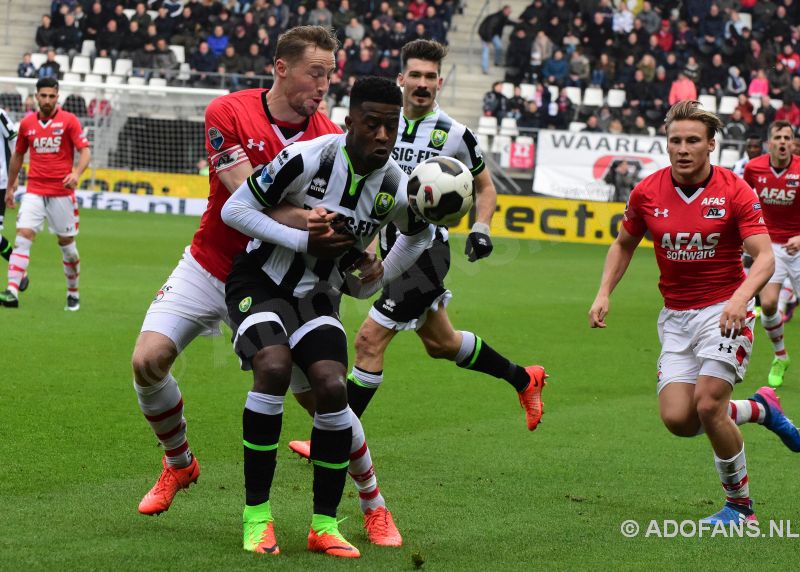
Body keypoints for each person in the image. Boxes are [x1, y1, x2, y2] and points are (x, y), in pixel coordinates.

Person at [290, 40, 546, 464]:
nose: (423, 84)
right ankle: (524, 379)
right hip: (391, 244)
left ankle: (331, 439)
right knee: (442, 343)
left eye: (431, 77)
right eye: (416, 76)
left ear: (440, 82)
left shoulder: (456, 135)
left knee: (369, 340)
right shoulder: (376, 126)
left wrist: (481, 228)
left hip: (428, 251)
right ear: (401, 79)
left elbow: (484, 187)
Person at [129, 25, 345, 519]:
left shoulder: (331, 138)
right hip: (210, 265)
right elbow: (247, 196)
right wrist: (311, 219)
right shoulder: (228, 111)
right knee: (147, 360)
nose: (324, 85)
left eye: (330, 75)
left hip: (278, 282)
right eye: (316, 72)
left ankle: (375, 502)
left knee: (324, 400)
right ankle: (179, 462)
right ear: (281, 68)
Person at [220, 76, 435, 558]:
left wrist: (379, 273)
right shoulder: (309, 157)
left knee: (333, 387)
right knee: (273, 369)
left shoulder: (396, 185)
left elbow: (418, 238)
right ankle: (257, 517)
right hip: (260, 282)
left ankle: (323, 525)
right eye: (372, 124)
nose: (383, 136)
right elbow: (236, 210)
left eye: (391, 126)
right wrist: (303, 240)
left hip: (319, 296)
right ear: (349, 122)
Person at [589, 100, 800, 525]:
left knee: (707, 405)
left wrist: (741, 298)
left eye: (692, 141)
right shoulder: (647, 191)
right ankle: (761, 408)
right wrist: (603, 292)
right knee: (679, 420)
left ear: (711, 145)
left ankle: (741, 508)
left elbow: (763, 258)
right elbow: (623, 243)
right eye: (675, 140)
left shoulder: (735, 189)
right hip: (676, 316)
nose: (682, 149)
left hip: (726, 311)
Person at [1, 77, 89, 309]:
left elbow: (85, 151)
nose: (47, 100)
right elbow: (18, 155)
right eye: (44, 96)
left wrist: (77, 173)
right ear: (36, 96)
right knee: (23, 236)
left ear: (57, 97)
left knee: (67, 247)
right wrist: (11, 186)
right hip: (34, 191)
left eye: (52, 96)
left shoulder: (69, 121)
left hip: (62, 194)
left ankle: (73, 292)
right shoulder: (28, 123)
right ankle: (12, 291)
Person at [743, 121, 800, 387]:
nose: (782, 142)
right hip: (771, 247)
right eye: (777, 137)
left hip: (799, 245)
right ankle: (780, 356)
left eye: (786, 138)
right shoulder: (754, 168)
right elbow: (741, 200)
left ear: (792, 142)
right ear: (769, 142)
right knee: (766, 305)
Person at [477, 5, 514, 74]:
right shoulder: (496, 17)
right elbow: (489, 28)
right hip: (485, 34)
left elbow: (507, 22)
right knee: (486, 50)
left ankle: (497, 62)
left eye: (510, 12)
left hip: (494, 34)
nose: (510, 13)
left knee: (499, 46)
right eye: (509, 11)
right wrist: (488, 40)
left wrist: (517, 23)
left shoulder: (503, 17)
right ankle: (485, 68)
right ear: (504, 10)